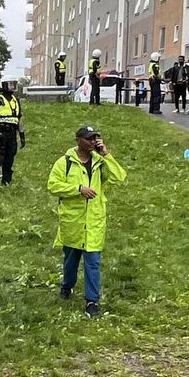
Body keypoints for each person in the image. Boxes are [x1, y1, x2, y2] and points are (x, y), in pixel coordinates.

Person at [47, 125, 127, 318]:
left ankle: (92, 301)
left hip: (94, 220)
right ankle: (67, 286)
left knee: (93, 262)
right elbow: (53, 185)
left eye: (95, 138)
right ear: (78, 140)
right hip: (73, 221)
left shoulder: (100, 162)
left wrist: (107, 155)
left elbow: (119, 177)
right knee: (71, 260)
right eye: (89, 138)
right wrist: (78, 189)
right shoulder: (64, 162)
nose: (93, 142)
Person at [0, 80, 26, 189]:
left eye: (14, 84)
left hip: (12, 133)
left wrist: (22, 135)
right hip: (1, 132)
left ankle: (6, 181)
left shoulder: (16, 101)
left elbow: (19, 118)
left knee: (10, 158)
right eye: (10, 85)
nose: (13, 87)